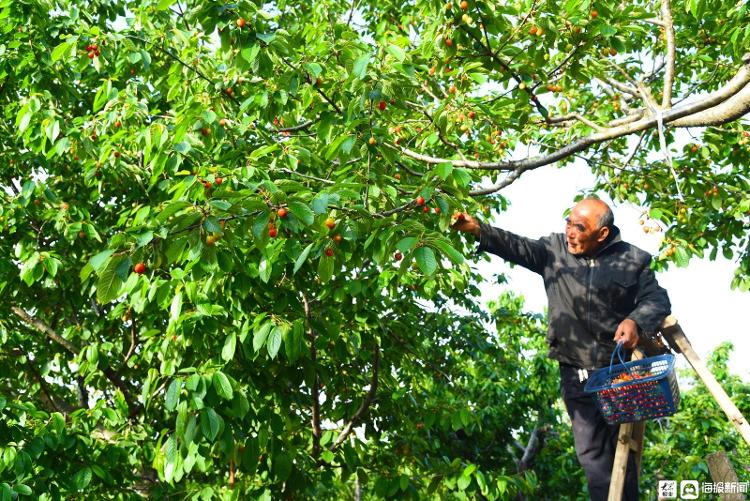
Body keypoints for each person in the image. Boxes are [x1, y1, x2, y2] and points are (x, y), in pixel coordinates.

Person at [451, 198, 671, 501]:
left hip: (618, 374)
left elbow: (657, 300)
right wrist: (477, 229)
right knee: (593, 458)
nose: (569, 232)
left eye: (579, 227)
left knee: (622, 459)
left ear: (602, 234)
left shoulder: (632, 260)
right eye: (568, 222)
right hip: (576, 374)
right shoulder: (553, 251)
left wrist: (635, 320)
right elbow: (516, 245)